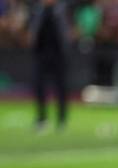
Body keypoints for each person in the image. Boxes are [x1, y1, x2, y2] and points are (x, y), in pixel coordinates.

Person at [29, 0, 71, 132]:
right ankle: (42, 119)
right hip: (42, 55)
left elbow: (65, 32)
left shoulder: (60, 10)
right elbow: (34, 32)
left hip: (58, 55)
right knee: (39, 87)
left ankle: (61, 120)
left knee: (61, 88)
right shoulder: (38, 11)